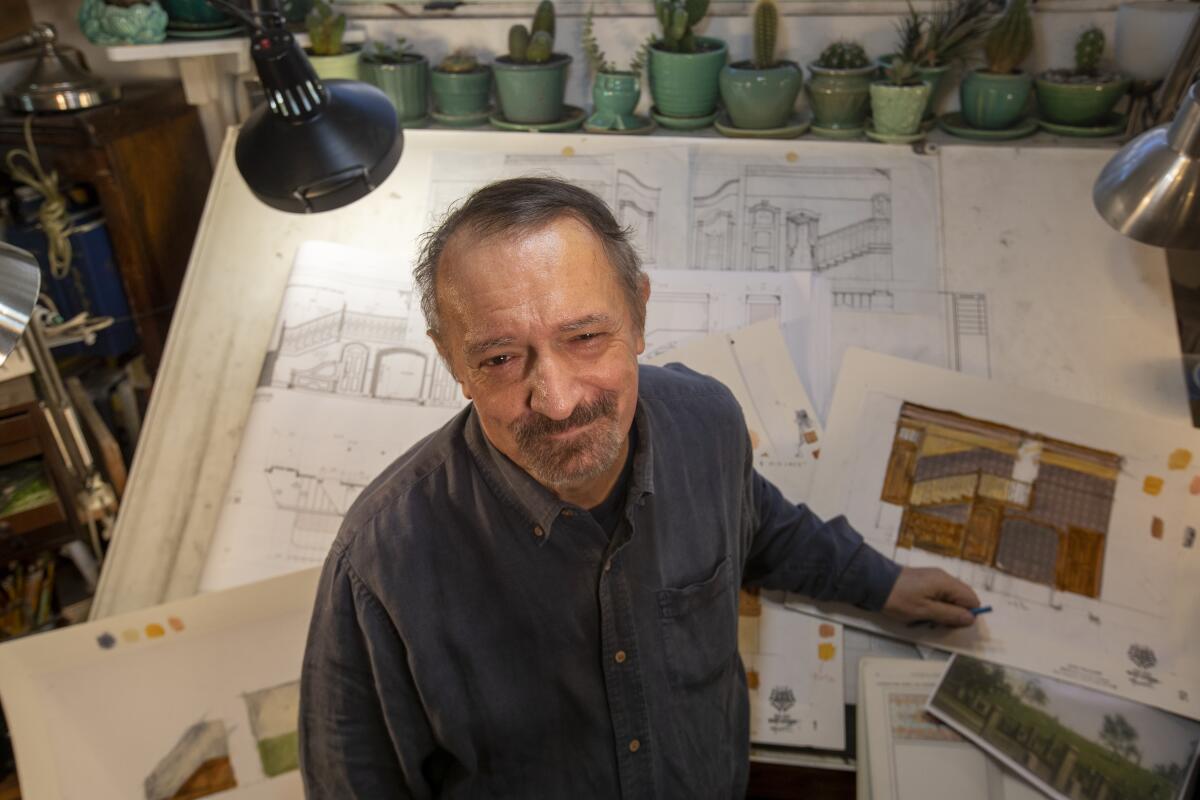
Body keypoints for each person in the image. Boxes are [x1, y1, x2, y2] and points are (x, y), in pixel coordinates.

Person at [298, 177, 980, 798]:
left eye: (586, 336)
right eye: (502, 359)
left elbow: (758, 520)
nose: (559, 401)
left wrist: (881, 582)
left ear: (640, 314)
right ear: (453, 360)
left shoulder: (706, 424)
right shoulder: (380, 563)